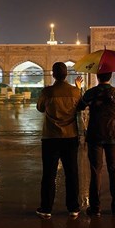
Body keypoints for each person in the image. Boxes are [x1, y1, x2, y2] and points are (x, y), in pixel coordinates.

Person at [36, 62, 83, 219]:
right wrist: (78, 88)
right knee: (71, 173)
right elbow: (80, 107)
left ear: (53, 74)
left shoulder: (47, 92)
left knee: (49, 174)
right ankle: (73, 208)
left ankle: (46, 209)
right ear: (66, 74)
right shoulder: (75, 92)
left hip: (50, 137)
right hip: (70, 137)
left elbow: (40, 108)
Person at [78, 72, 115, 217]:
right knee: (114, 171)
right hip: (113, 135)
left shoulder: (91, 93)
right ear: (110, 77)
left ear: (98, 77)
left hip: (95, 135)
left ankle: (95, 208)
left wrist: (79, 89)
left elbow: (80, 106)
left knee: (95, 171)